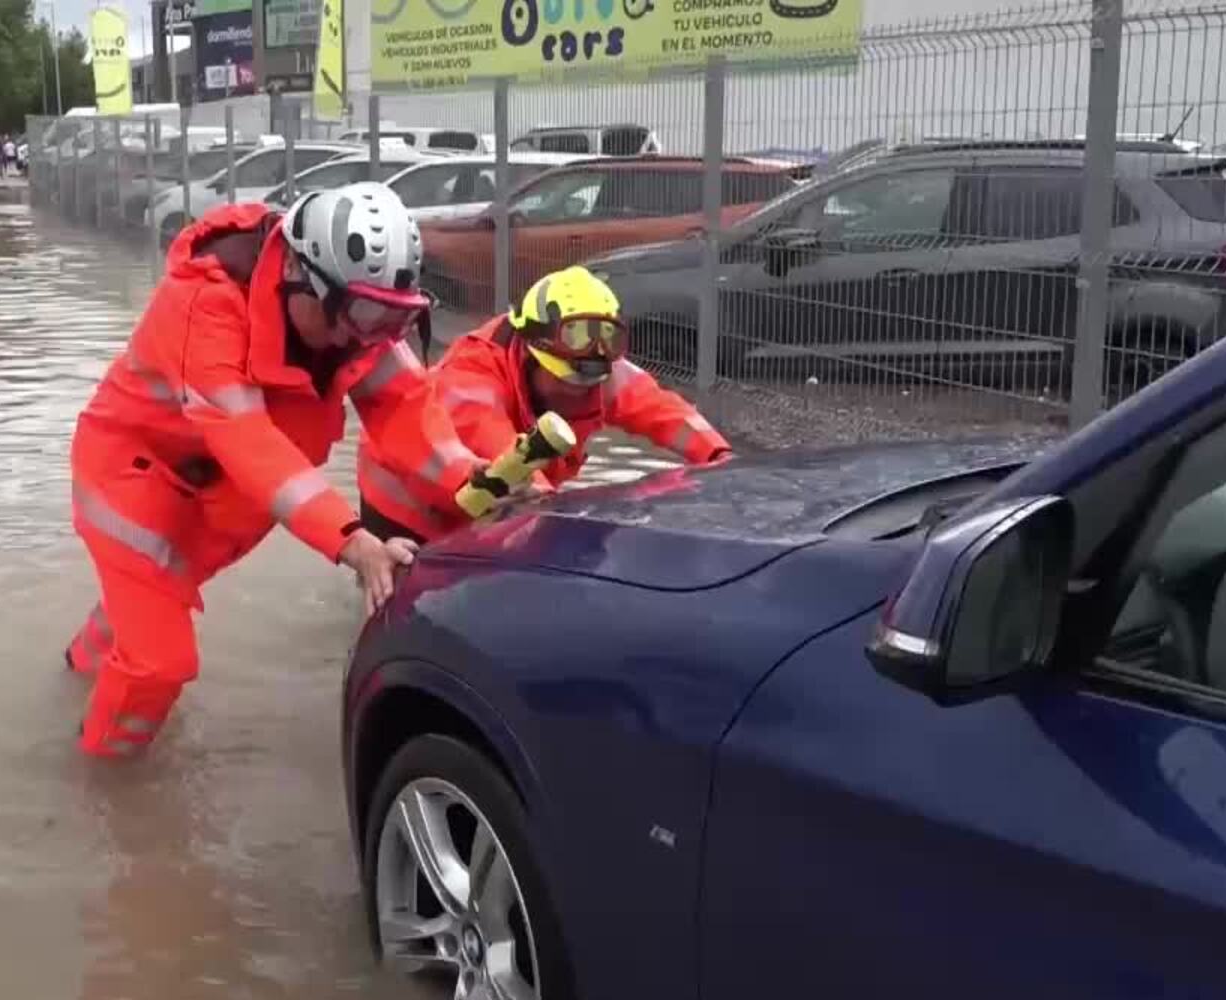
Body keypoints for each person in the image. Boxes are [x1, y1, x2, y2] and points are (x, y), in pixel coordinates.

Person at [63, 181, 481, 759]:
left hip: (217, 494)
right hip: (132, 477)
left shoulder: (356, 322)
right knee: (161, 663)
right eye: (364, 313)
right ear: (303, 279)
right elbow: (248, 439)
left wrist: (478, 481)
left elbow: (408, 409)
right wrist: (353, 541)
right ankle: (100, 776)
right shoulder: (206, 305)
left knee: (150, 602)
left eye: (392, 318)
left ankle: (78, 668)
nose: (370, 337)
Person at [356, 265, 732, 543]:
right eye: (566, 382)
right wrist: (550, 513)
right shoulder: (470, 380)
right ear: (531, 354)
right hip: (405, 505)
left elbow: (666, 413)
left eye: (587, 385)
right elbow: (499, 450)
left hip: (489, 501)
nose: (578, 393)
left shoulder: (599, 370)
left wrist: (722, 460)